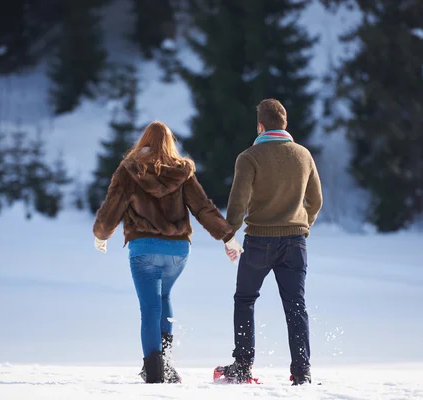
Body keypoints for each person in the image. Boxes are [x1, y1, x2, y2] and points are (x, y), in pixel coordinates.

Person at [92, 121, 233, 384]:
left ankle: (155, 373)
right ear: (170, 143)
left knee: (149, 308)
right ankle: (165, 365)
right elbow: (202, 208)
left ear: (142, 141)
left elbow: (112, 209)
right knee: (164, 296)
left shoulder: (128, 170)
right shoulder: (182, 172)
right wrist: (227, 235)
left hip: (144, 249)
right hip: (178, 251)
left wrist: (101, 235)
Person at [220, 99, 323, 385]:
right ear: (285, 124)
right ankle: (302, 372)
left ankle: (242, 366)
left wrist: (230, 236)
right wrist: (304, 226)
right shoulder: (303, 156)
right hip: (295, 243)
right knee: (296, 306)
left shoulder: (249, 156)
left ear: (260, 125)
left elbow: (238, 202)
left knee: (245, 300)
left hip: (259, 242)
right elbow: (316, 200)